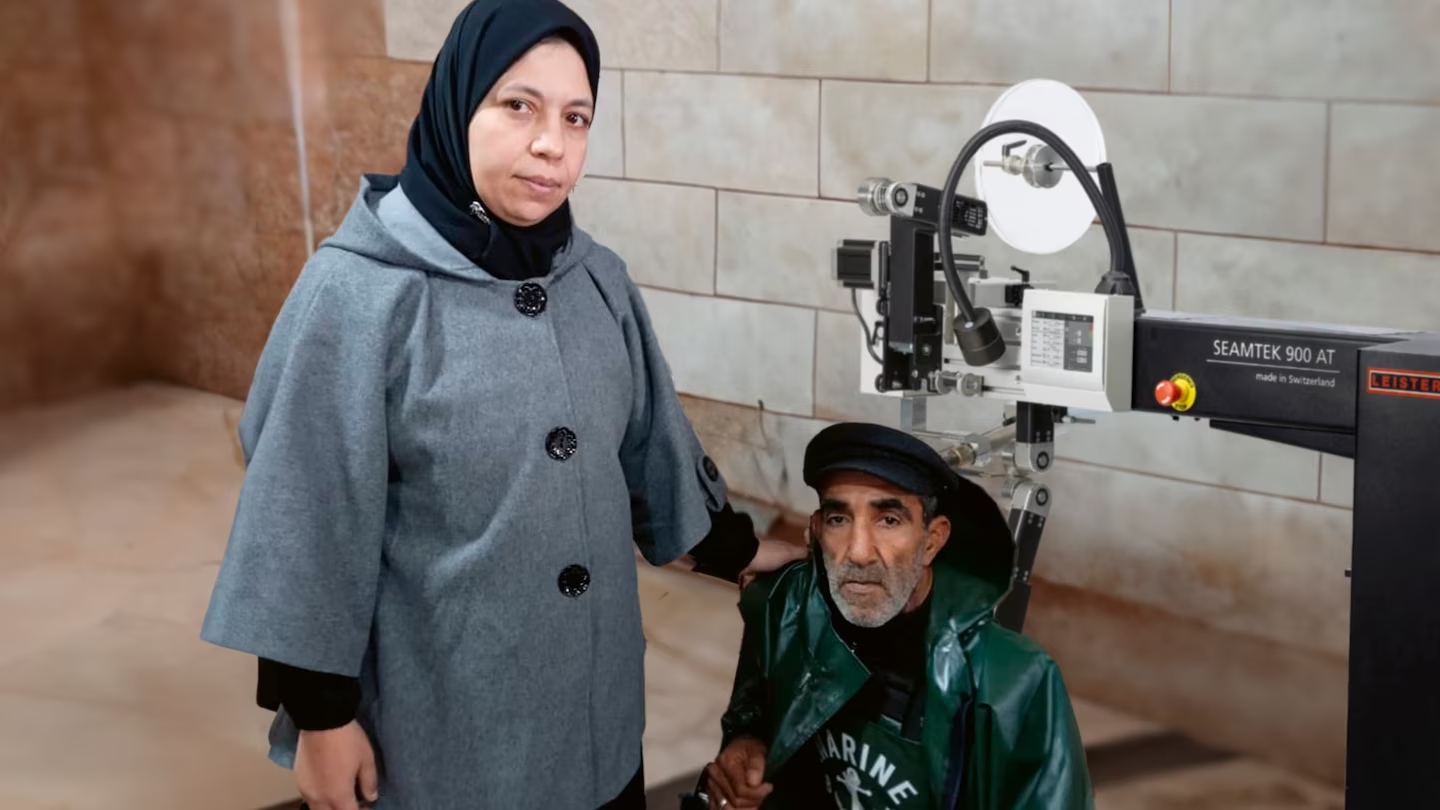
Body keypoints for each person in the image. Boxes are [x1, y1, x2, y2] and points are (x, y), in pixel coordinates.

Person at [198, 2, 804, 808]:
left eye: (576, 117)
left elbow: (647, 448)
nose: (552, 143)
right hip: (446, 737)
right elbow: (305, 519)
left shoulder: (596, 280)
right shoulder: (359, 294)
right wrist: (321, 718)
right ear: (459, 103)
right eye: (518, 105)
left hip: (593, 726)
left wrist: (738, 549)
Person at [700, 423, 1093, 809]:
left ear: (932, 541)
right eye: (839, 519)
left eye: (889, 520)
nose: (858, 552)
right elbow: (753, 707)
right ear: (817, 531)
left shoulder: (1014, 684)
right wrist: (747, 742)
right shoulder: (787, 609)